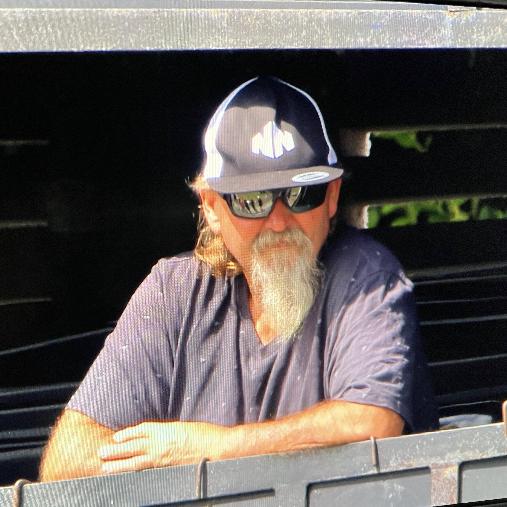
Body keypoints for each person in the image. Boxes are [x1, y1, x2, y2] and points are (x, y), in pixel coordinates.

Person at [39, 76, 437, 481]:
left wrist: (212, 449)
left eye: (303, 195)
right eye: (253, 201)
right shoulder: (173, 292)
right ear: (211, 207)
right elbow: (66, 460)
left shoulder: (365, 276)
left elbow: (369, 424)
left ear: (332, 196)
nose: (280, 222)